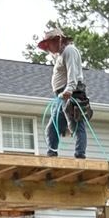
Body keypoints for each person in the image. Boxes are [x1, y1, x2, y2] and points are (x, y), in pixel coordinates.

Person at [37, 27, 90, 159]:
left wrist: (69, 89)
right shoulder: (61, 54)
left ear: (58, 40)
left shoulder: (69, 50)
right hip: (61, 96)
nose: (49, 48)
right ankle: (52, 154)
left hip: (72, 93)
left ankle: (80, 155)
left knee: (76, 124)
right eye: (47, 46)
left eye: (49, 44)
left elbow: (73, 72)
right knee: (52, 127)